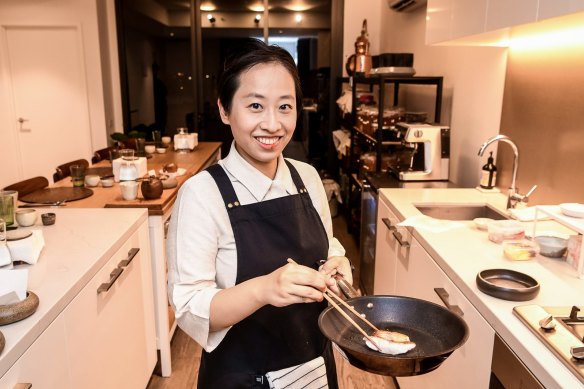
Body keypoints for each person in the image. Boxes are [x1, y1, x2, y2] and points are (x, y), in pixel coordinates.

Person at [167, 38, 352, 389]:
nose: (272, 124)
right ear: (224, 110)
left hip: (313, 368)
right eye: (255, 105)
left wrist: (339, 265)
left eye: (285, 107)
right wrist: (265, 288)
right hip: (242, 376)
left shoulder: (307, 177)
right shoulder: (202, 194)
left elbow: (328, 247)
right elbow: (190, 307)